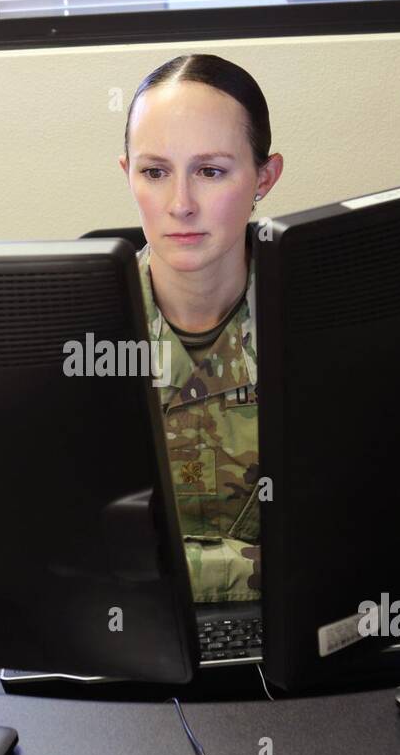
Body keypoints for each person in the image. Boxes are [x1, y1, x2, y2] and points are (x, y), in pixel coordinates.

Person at [117, 54, 284, 602]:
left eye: (210, 171)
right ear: (128, 176)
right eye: (155, 172)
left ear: (264, 177)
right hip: (131, 644)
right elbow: (58, 548)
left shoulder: (324, 321)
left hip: (297, 641)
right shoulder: (79, 337)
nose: (180, 205)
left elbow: (364, 530)